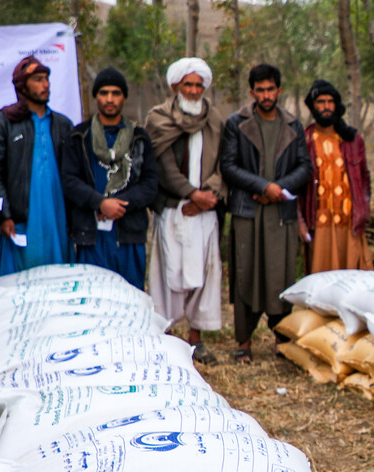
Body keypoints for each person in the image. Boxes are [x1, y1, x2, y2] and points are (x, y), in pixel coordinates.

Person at [218, 63, 309, 364]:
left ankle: (282, 337)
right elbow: (229, 166)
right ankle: (243, 342)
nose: (266, 95)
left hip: (280, 211)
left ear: (279, 90)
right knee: (246, 272)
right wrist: (261, 186)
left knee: (280, 274)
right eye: (260, 90)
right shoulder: (237, 123)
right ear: (251, 92)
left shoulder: (294, 125)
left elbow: (304, 168)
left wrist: (278, 188)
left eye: (271, 89)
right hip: (247, 210)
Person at [144, 57, 227, 365]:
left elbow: (223, 163)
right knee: (169, 274)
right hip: (172, 208)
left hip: (205, 210)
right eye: (187, 84)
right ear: (176, 86)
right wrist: (191, 194)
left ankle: (196, 340)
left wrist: (210, 195)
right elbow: (162, 165)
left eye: (198, 85)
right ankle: (166, 338)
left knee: (204, 273)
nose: (193, 90)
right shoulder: (159, 118)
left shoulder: (215, 119)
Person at [62, 67, 156, 289]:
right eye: (104, 93)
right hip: (91, 234)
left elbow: (150, 183)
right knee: (93, 299)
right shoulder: (79, 136)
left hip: (128, 233)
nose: (110, 99)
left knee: (129, 299)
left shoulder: (139, 138)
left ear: (124, 97)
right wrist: (100, 203)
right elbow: (69, 180)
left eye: (116, 93)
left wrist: (119, 205)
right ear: (96, 96)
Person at [0, 55, 73, 275]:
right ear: (22, 86)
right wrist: (4, 215)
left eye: (46, 79)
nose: (46, 85)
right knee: (19, 280)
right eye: (38, 79)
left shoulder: (62, 125)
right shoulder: (4, 123)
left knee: (59, 275)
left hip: (58, 217)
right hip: (21, 220)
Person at [299, 79, 371, 273]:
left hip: (350, 224)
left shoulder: (352, 140)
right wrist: (300, 222)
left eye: (330, 102)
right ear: (312, 106)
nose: (326, 107)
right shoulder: (303, 140)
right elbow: (296, 186)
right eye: (321, 102)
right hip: (319, 225)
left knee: (354, 281)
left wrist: (363, 210)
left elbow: (364, 178)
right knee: (321, 283)